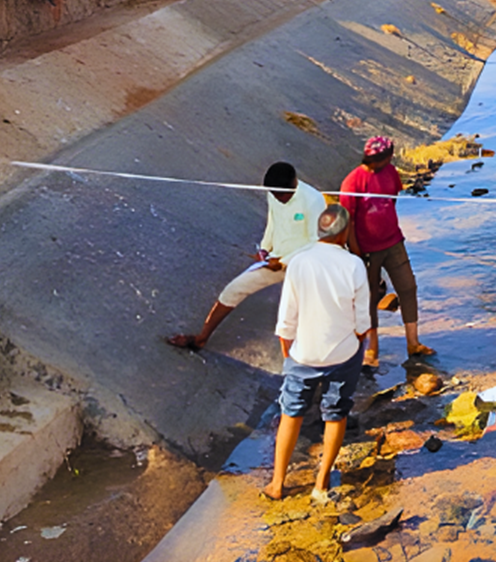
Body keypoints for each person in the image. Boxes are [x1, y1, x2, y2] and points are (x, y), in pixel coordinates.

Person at [265, 203, 369, 504]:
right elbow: (363, 321)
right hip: (343, 353)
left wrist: (290, 356)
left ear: (319, 231)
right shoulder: (353, 265)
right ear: (344, 233)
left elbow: (287, 320)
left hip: (303, 354)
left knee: (291, 412)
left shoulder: (299, 262)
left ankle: (277, 484)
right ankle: (321, 483)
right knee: (336, 414)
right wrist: (355, 346)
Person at [166, 162, 327, 351]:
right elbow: (273, 223)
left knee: (305, 315)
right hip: (274, 261)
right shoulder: (275, 194)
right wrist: (265, 249)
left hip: (304, 265)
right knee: (233, 290)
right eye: (274, 195)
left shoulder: (314, 200)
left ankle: (317, 361)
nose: (278, 199)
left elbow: (314, 243)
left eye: (282, 195)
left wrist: (283, 262)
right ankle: (201, 338)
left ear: (294, 183)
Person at [338, 137, 435, 366]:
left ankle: (413, 342)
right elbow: (348, 221)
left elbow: (391, 202)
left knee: (408, 287)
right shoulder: (352, 182)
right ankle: (372, 349)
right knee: (369, 297)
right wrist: (356, 251)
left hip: (393, 241)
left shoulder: (391, 172)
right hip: (366, 248)